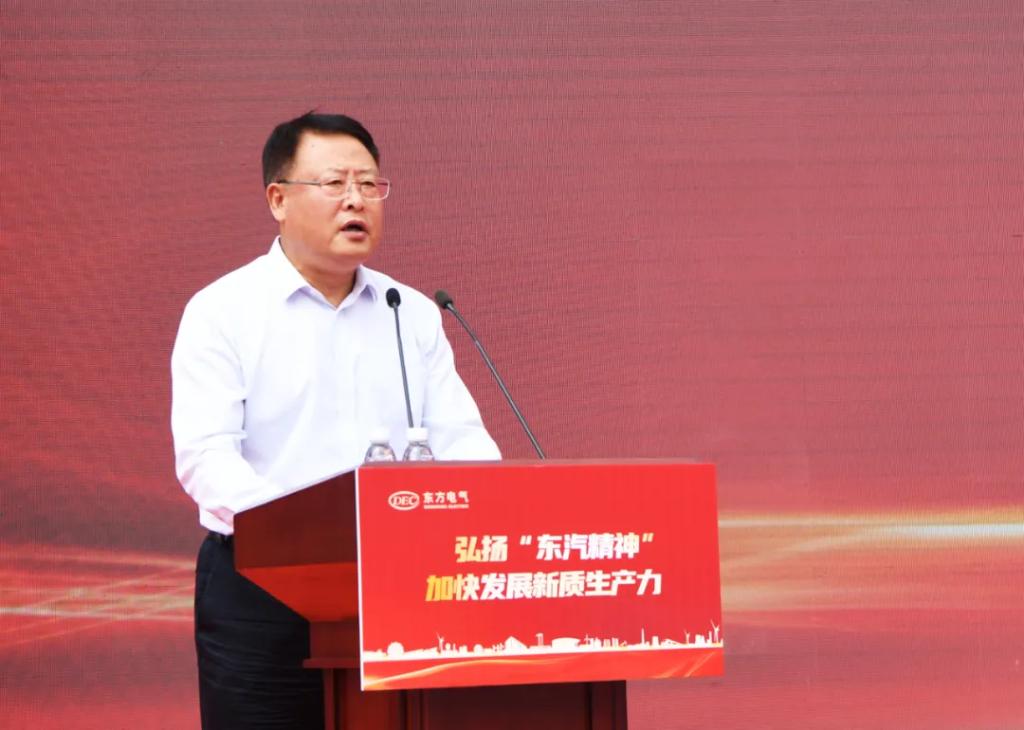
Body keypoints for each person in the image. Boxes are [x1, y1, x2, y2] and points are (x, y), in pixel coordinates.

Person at [171, 112, 500, 729]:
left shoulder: (409, 313)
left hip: (399, 584)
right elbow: (206, 457)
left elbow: (463, 441)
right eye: (334, 184)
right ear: (278, 199)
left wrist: (487, 510)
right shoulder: (223, 312)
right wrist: (302, 540)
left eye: (369, 185)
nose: (356, 200)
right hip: (261, 589)